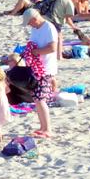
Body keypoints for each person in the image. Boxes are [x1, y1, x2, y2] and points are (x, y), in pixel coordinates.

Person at [24, 7, 59, 138]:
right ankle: (43, 127)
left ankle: (48, 129)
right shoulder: (35, 28)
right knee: (36, 99)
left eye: (29, 22)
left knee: (41, 99)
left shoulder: (48, 27)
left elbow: (52, 48)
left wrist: (34, 52)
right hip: (36, 68)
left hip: (46, 69)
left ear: (34, 18)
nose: (29, 25)